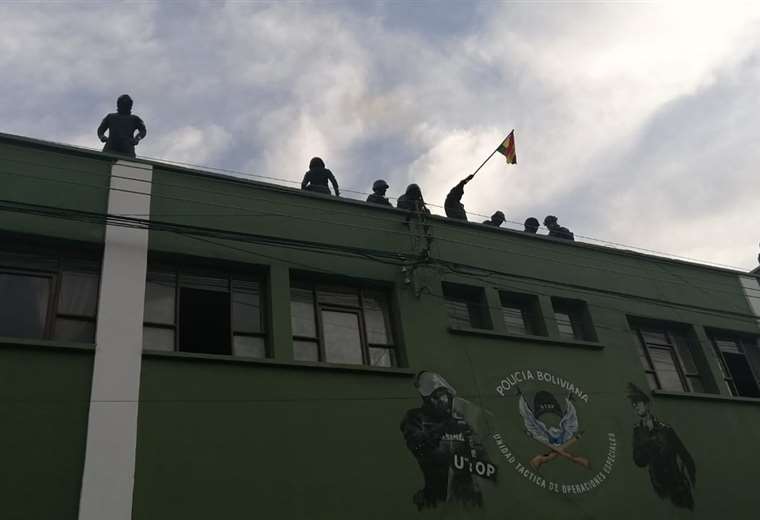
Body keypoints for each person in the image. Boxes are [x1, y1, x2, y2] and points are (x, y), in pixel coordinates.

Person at [400, 371, 490, 510]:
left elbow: (482, 449)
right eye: (432, 397)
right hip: (437, 496)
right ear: (425, 399)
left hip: (469, 494)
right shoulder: (415, 417)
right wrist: (444, 429)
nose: (440, 400)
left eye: (442, 395)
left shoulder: (459, 417)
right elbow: (417, 445)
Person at [627, 383, 696, 511]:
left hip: (678, 486)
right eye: (633, 404)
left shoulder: (666, 430)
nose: (635, 406)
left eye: (638, 402)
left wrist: (691, 484)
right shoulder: (637, 432)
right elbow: (638, 461)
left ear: (647, 404)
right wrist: (648, 445)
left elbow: (686, 457)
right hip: (660, 489)